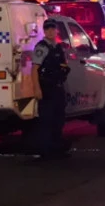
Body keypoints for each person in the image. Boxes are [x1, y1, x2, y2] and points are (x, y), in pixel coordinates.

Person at [31, 18, 71, 158]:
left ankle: (56, 147)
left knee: (58, 118)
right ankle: (45, 150)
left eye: (52, 29)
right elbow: (34, 69)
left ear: (56, 30)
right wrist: (37, 89)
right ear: (44, 31)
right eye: (47, 29)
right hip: (46, 87)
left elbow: (63, 66)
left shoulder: (57, 47)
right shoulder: (42, 47)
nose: (50, 31)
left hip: (57, 86)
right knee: (46, 120)